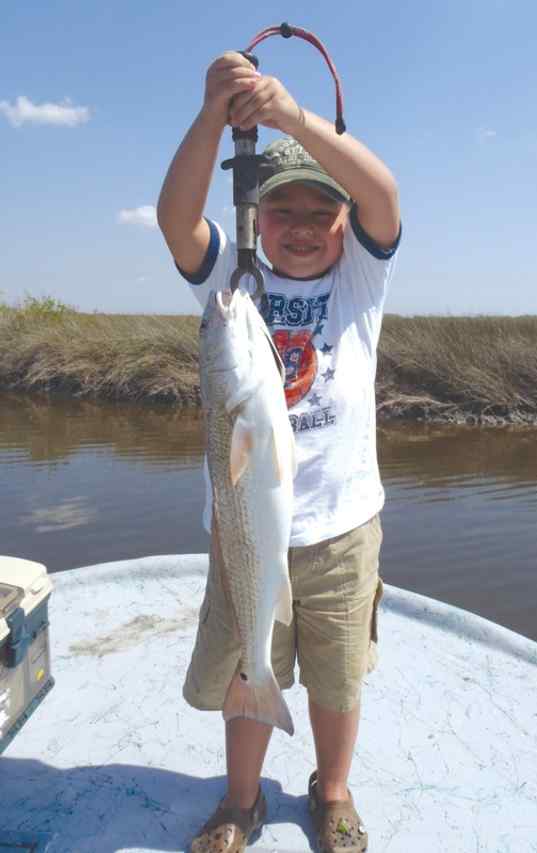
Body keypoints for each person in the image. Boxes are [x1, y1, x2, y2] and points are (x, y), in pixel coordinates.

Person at [157, 50, 401, 853]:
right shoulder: (235, 285)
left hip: (340, 526)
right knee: (246, 668)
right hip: (245, 532)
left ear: (343, 226)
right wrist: (209, 117)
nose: (298, 228)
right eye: (280, 211)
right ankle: (240, 799)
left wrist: (293, 120)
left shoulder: (360, 278)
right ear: (255, 219)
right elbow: (177, 220)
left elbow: (384, 196)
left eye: (318, 214)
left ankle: (332, 792)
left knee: (338, 675)